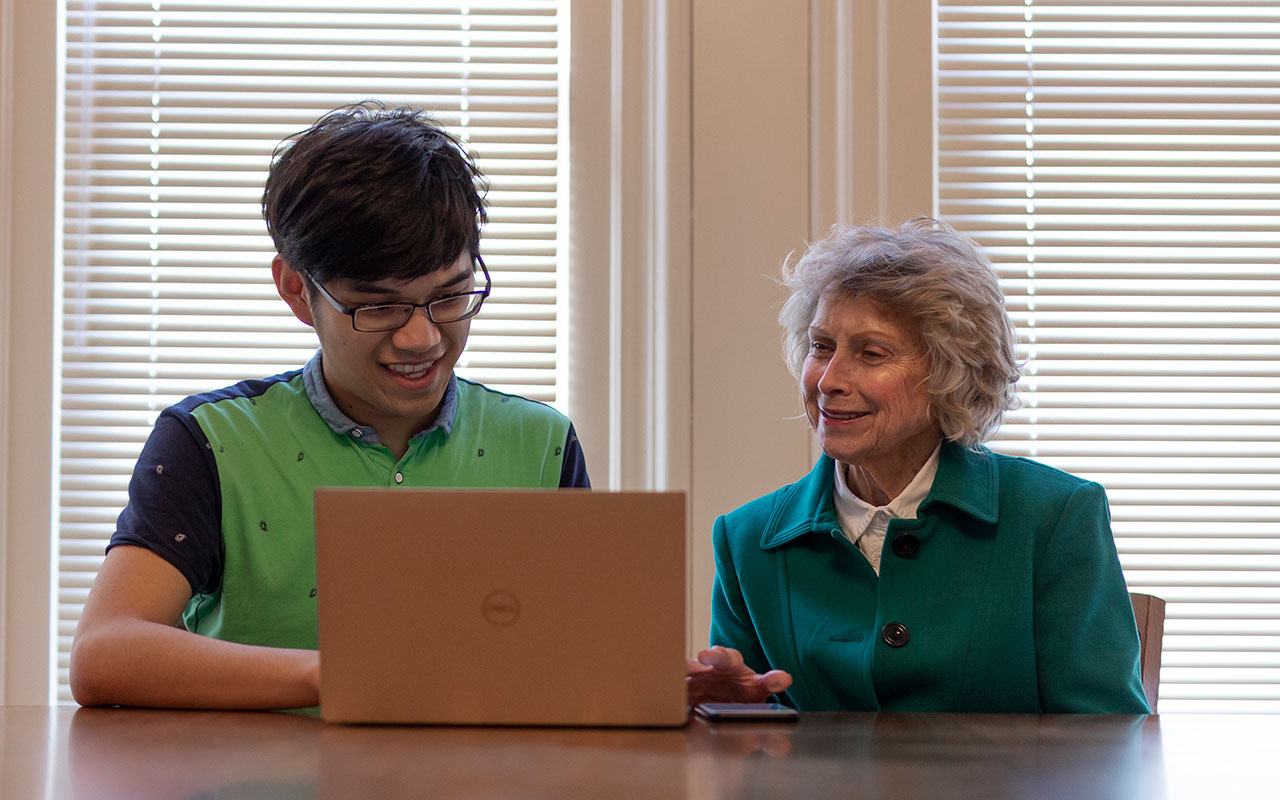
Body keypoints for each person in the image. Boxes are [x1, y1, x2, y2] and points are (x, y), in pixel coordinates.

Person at [69, 102, 589, 710]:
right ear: (296, 288)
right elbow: (104, 652)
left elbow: (582, 660)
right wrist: (340, 676)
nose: (421, 338)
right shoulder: (209, 442)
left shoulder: (543, 444)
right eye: (377, 306)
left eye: (449, 296)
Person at [686, 218, 1149, 713]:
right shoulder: (746, 540)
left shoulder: (1054, 517)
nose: (829, 380)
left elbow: (1108, 743)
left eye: (871, 353)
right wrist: (719, 713)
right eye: (822, 346)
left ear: (950, 371)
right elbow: (748, 760)